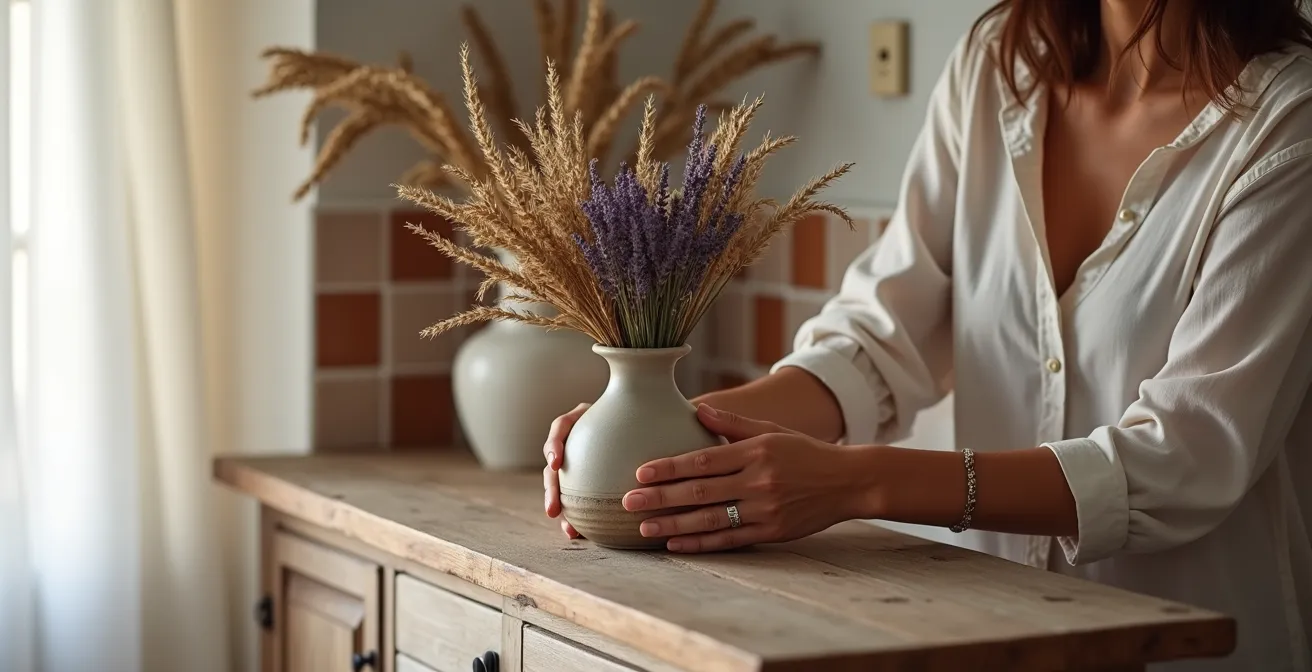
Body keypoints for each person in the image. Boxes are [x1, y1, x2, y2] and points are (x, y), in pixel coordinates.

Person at [544, 0, 1312, 668]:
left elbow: (1189, 456)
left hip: (1199, 651)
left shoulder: (1288, 124)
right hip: (980, 637)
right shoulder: (996, 70)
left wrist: (862, 483)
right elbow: (882, 337)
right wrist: (663, 435)